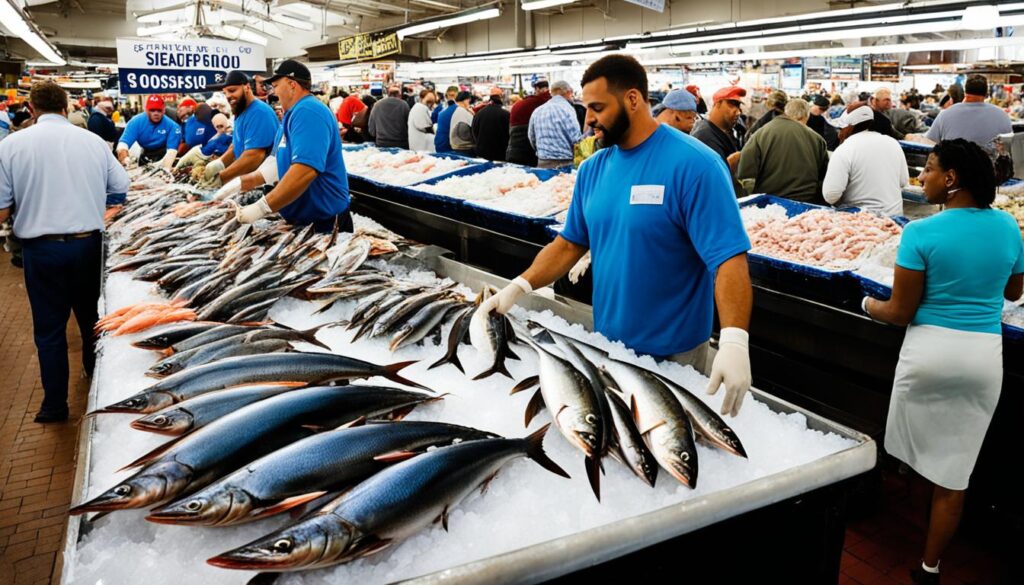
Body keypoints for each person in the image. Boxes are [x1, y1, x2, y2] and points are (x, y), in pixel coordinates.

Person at [473, 54, 753, 417]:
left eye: (597, 107)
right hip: (609, 345)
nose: (587, 119)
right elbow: (571, 243)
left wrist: (734, 339)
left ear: (633, 100)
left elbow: (728, 258)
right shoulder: (593, 169)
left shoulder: (696, 165)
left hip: (678, 355)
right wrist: (518, 288)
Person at [862, 139, 1023, 585]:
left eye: (929, 170)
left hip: (928, 353)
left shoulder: (920, 234)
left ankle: (909, 529)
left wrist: (865, 304)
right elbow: (1013, 293)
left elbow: (899, 311)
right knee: (956, 471)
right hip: (982, 359)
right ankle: (931, 566)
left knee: (915, 455)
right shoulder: (1009, 227)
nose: (922, 178)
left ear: (951, 179)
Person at [0, 81, 130, 423]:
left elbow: (1, 209)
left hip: (40, 251)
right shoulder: (92, 142)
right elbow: (121, 186)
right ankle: (98, 385)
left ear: (31, 109)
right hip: (88, 245)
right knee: (91, 319)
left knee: (50, 329)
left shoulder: (11, 146)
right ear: (66, 107)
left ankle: (54, 406)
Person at [218, 60, 351, 234]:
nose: (273, 92)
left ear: (292, 84)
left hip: (325, 224)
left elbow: (305, 170)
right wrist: (240, 183)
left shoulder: (309, 111)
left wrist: (262, 207)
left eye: (275, 86)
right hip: (304, 221)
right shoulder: (290, 115)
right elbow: (276, 163)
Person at [737, 98, 829, 204]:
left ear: (786, 112)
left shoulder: (762, 133)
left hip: (770, 203)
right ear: (806, 116)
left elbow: (745, 172)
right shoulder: (817, 139)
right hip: (806, 202)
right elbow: (825, 176)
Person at [822, 105, 907, 216]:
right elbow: (903, 181)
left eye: (841, 128)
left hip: (860, 221)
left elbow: (830, 195)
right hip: (894, 217)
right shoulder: (893, 143)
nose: (839, 134)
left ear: (850, 127)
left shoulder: (845, 149)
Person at [200, 70, 279, 189]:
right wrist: (219, 163)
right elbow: (236, 144)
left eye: (232, 90)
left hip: (262, 185)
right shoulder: (240, 112)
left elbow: (254, 156)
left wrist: (222, 178)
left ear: (247, 87)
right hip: (247, 182)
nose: (228, 96)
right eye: (225, 92)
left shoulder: (259, 112)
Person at [925, 75, 1012, 152]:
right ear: (986, 94)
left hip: (954, 168)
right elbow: (1008, 146)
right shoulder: (1002, 115)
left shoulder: (945, 114)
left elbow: (929, 143)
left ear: (965, 92)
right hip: (990, 169)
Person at [691, 86, 746, 185]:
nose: (738, 112)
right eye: (732, 105)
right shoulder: (705, 136)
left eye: (738, 106)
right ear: (717, 104)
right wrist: (730, 165)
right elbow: (712, 180)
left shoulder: (724, 131)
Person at [116, 95, 181, 169]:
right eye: (152, 110)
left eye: (159, 110)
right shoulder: (135, 122)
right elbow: (123, 143)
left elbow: (171, 152)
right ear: (146, 110)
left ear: (164, 111)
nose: (156, 113)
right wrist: (124, 158)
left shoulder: (173, 126)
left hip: (164, 155)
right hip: (145, 155)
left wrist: (165, 168)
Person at [528, 80, 582, 168]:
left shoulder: (537, 110)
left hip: (542, 162)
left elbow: (531, 137)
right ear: (569, 92)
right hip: (565, 162)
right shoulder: (568, 109)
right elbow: (576, 138)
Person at [506, 80, 551, 165]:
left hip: (515, 151)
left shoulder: (521, 104)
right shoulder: (549, 102)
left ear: (537, 89)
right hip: (534, 155)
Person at [472, 87, 510, 162]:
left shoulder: (479, 113)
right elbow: (509, 134)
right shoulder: (506, 114)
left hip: (482, 154)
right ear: (501, 98)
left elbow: (474, 131)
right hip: (500, 154)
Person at [367, 85, 410, 149]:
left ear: (388, 94)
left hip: (382, 143)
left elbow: (371, 128)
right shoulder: (404, 105)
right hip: (401, 143)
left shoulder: (377, 105)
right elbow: (409, 124)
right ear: (399, 95)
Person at [449, 91, 476, 157]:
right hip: (464, 148)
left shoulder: (458, 110)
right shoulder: (463, 112)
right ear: (466, 100)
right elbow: (475, 126)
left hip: (457, 146)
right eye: (469, 100)